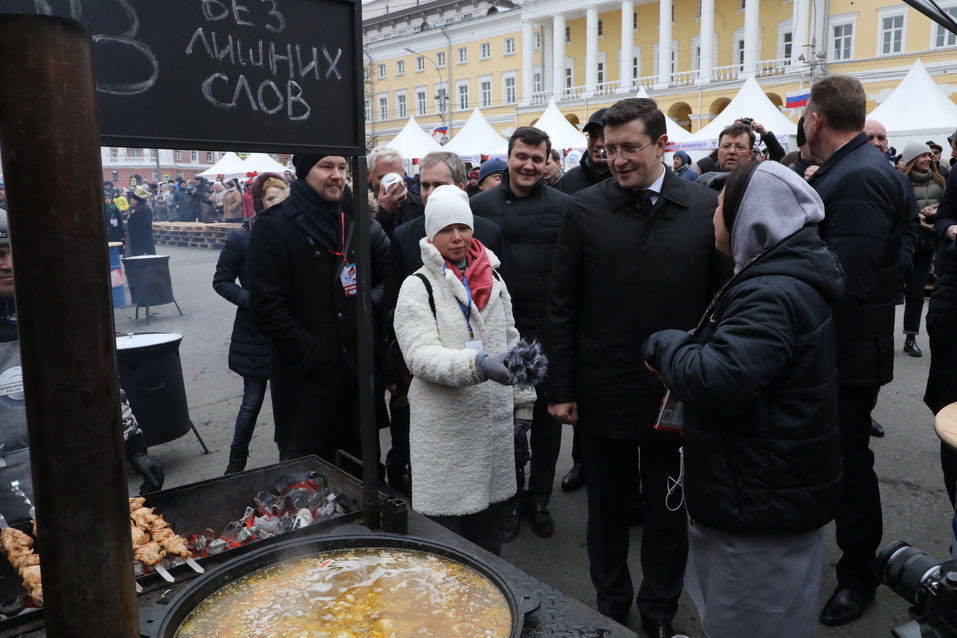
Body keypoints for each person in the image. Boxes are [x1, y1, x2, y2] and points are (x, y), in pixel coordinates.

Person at [545, 97, 731, 636]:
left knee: (669, 512)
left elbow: (720, 304)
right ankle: (610, 604)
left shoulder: (702, 208)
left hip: (676, 395)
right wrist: (560, 387)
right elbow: (563, 306)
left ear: (662, 145)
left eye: (630, 148)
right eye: (609, 149)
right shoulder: (584, 208)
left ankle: (658, 613)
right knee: (605, 512)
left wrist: (706, 378)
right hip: (603, 391)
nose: (617, 159)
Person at [643, 160, 843, 637]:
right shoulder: (779, 275)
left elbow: (719, 378)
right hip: (764, 485)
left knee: (752, 620)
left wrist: (665, 343)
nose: (714, 216)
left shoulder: (771, 292)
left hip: (758, 501)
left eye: (720, 207)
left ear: (749, 217)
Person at [803, 74, 908, 627]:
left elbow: (847, 277)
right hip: (840, 348)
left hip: (845, 352)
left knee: (848, 465)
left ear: (816, 118)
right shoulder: (853, 169)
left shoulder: (862, 176)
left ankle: (858, 575)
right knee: (836, 460)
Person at [393, 184, 538, 556]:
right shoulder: (417, 286)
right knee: (447, 552)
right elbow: (420, 356)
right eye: (446, 230)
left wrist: (523, 404)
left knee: (489, 543)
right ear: (430, 234)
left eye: (463, 227)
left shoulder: (494, 278)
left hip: (492, 432)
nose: (457, 237)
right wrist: (478, 364)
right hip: (446, 436)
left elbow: (512, 339)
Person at [0, 210, 162, 523]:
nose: (6, 263)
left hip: (73, 477)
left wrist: (135, 449)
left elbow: (100, 385)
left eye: (12, 252)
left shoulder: (57, 315)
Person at [247, 154, 390, 463]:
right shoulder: (274, 226)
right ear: (303, 173)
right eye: (326, 167)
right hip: (307, 388)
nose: (337, 175)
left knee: (364, 482)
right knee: (310, 490)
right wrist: (312, 353)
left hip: (356, 387)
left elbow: (383, 281)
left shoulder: (352, 223)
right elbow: (266, 309)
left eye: (342, 168)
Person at [380, 151, 507, 496]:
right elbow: (391, 302)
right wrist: (391, 372)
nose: (430, 192)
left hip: (482, 368)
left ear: (461, 188)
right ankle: (403, 479)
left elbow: (502, 311)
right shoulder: (405, 235)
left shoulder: (489, 233)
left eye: (440, 184)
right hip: (421, 359)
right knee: (411, 429)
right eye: (424, 185)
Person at [471, 126, 571, 542]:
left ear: (547, 162)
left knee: (548, 420)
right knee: (506, 419)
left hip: (548, 327)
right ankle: (509, 500)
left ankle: (539, 497)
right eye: (521, 157)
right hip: (499, 330)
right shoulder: (480, 206)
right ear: (509, 158)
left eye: (537, 158)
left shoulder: (567, 206)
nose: (528, 165)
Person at [213, 173, 289, 475]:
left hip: (288, 331)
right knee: (252, 401)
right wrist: (253, 302)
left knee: (288, 404)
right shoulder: (241, 237)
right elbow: (221, 281)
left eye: (283, 196)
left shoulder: (294, 233)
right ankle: (235, 467)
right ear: (259, 203)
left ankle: (290, 460)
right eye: (271, 198)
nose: (278, 204)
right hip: (255, 333)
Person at [900, 142, 945, 358]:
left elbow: (948, 207)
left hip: (926, 244)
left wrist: (937, 212)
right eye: (922, 156)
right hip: (902, 243)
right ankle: (881, 335)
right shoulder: (900, 181)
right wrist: (915, 217)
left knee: (916, 292)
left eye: (929, 155)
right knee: (891, 294)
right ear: (911, 160)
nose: (928, 159)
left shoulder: (940, 180)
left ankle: (911, 337)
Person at [367, 146, 423, 238]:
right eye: (383, 177)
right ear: (369, 175)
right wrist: (383, 212)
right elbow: (363, 242)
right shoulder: (357, 205)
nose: (391, 184)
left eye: (395, 176)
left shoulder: (419, 202)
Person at [560, 108, 611, 194]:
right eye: (593, 136)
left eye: (605, 137)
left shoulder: (626, 177)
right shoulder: (570, 178)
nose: (598, 143)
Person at [126, 186, 156, 256]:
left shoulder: (145, 210)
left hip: (142, 242)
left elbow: (146, 227)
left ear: (138, 201)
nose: (131, 200)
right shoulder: (134, 210)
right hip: (135, 240)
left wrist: (143, 242)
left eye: (133, 199)